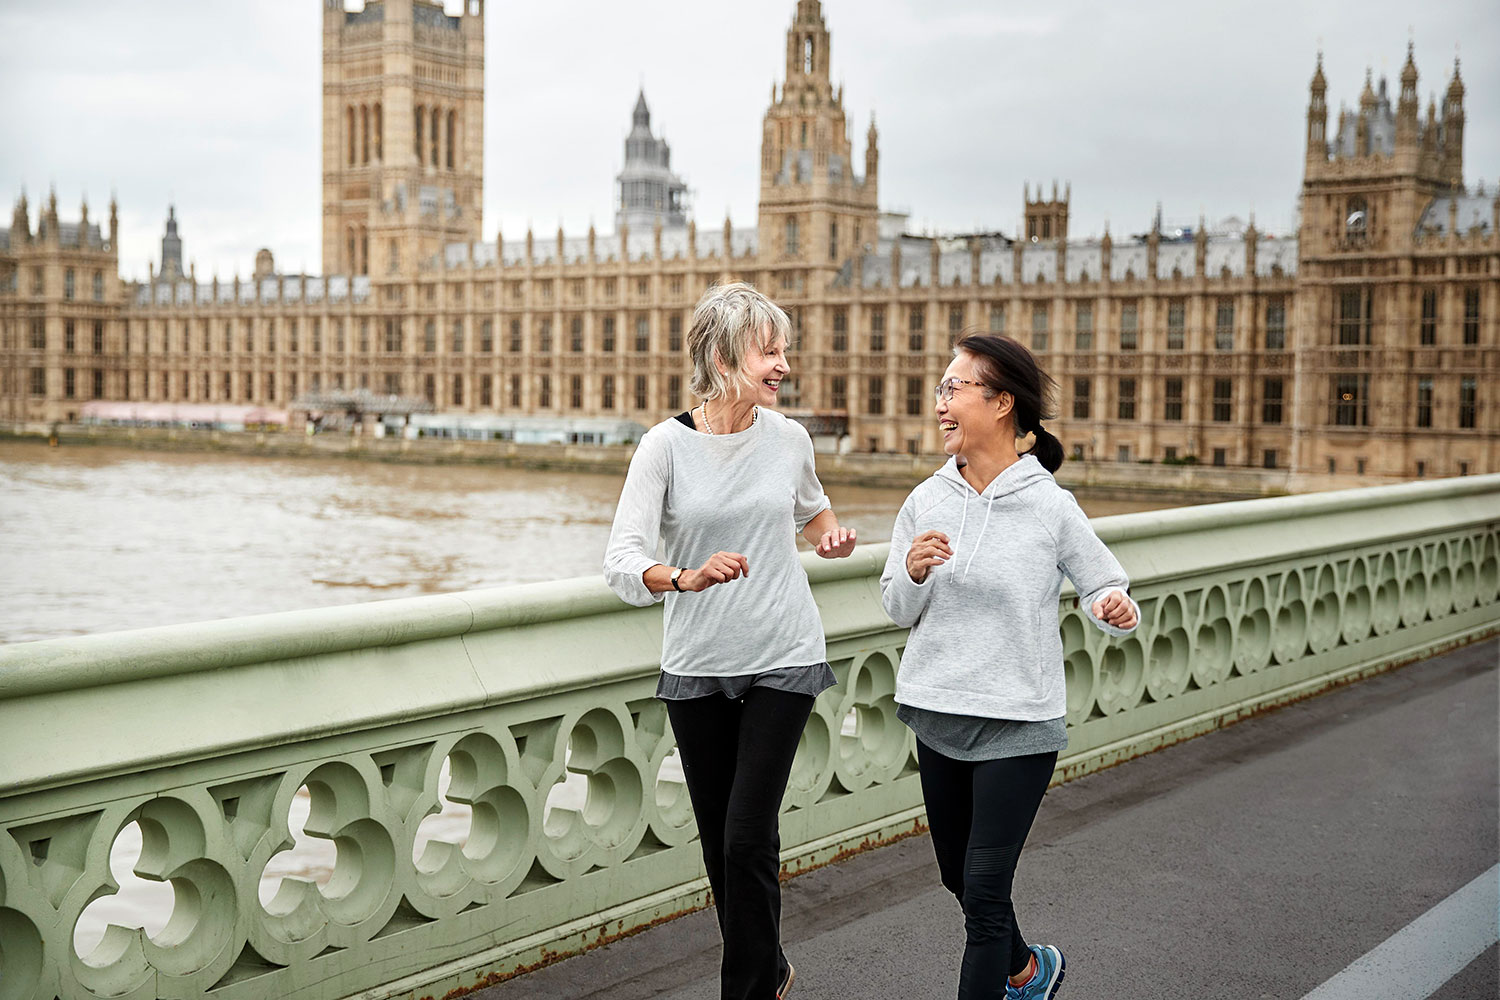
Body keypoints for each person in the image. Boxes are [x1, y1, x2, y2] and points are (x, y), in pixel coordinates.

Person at [604, 282, 856, 1000]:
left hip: (784, 650)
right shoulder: (663, 447)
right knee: (722, 842)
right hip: (698, 661)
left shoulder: (790, 439)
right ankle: (769, 967)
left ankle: (745, 992)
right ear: (721, 358)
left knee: (747, 832)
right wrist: (684, 577)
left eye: (784, 350)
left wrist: (829, 537)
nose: (784, 365)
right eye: (769, 352)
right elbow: (621, 562)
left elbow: (811, 509)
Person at [879, 334, 1139, 1000]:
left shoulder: (1049, 505)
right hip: (938, 710)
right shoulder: (926, 499)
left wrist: (1113, 606)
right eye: (940, 389)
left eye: (954, 388)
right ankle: (1027, 971)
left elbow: (1105, 582)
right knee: (959, 879)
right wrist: (911, 570)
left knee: (986, 891)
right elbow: (896, 608)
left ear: (1001, 403)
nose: (940, 403)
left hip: (1017, 721)